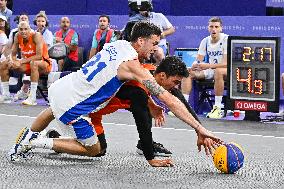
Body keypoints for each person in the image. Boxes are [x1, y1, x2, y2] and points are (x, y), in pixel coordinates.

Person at [9, 22, 222, 167]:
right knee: (94, 150)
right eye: (154, 43)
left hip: (61, 88)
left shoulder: (118, 44)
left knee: (54, 108)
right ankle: (34, 143)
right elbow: (169, 98)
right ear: (140, 41)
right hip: (75, 106)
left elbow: (161, 91)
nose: (155, 48)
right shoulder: (132, 66)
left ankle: (28, 135)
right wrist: (200, 128)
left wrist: (150, 103)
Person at [181, 17, 228, 119]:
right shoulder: (205, 41)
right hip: (211, 70)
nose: (213, 29)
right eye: (211, 26)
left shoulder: (226, 39)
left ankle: (218, 108)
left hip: (226, 71)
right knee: (187, 73)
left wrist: (208, 66)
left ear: (221, 28)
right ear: (208, 28)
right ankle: (183, 106)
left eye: (216, 27)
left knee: (218, 72)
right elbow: (199, 59)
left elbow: (226, 63)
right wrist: (195, 65)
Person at [0, 21, 52, 105]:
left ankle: (32, 97)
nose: (23, 31)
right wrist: (12, 61)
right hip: (28, 64)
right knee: (4, 64)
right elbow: (13, 54)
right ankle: (6, 96)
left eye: (25, 29)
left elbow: (39, 56)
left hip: (44, 64)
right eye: (21, 29)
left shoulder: (36, 36)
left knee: (34, 63)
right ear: (18, 30)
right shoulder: (17, 36)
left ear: (29, 29)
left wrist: (20, 61)